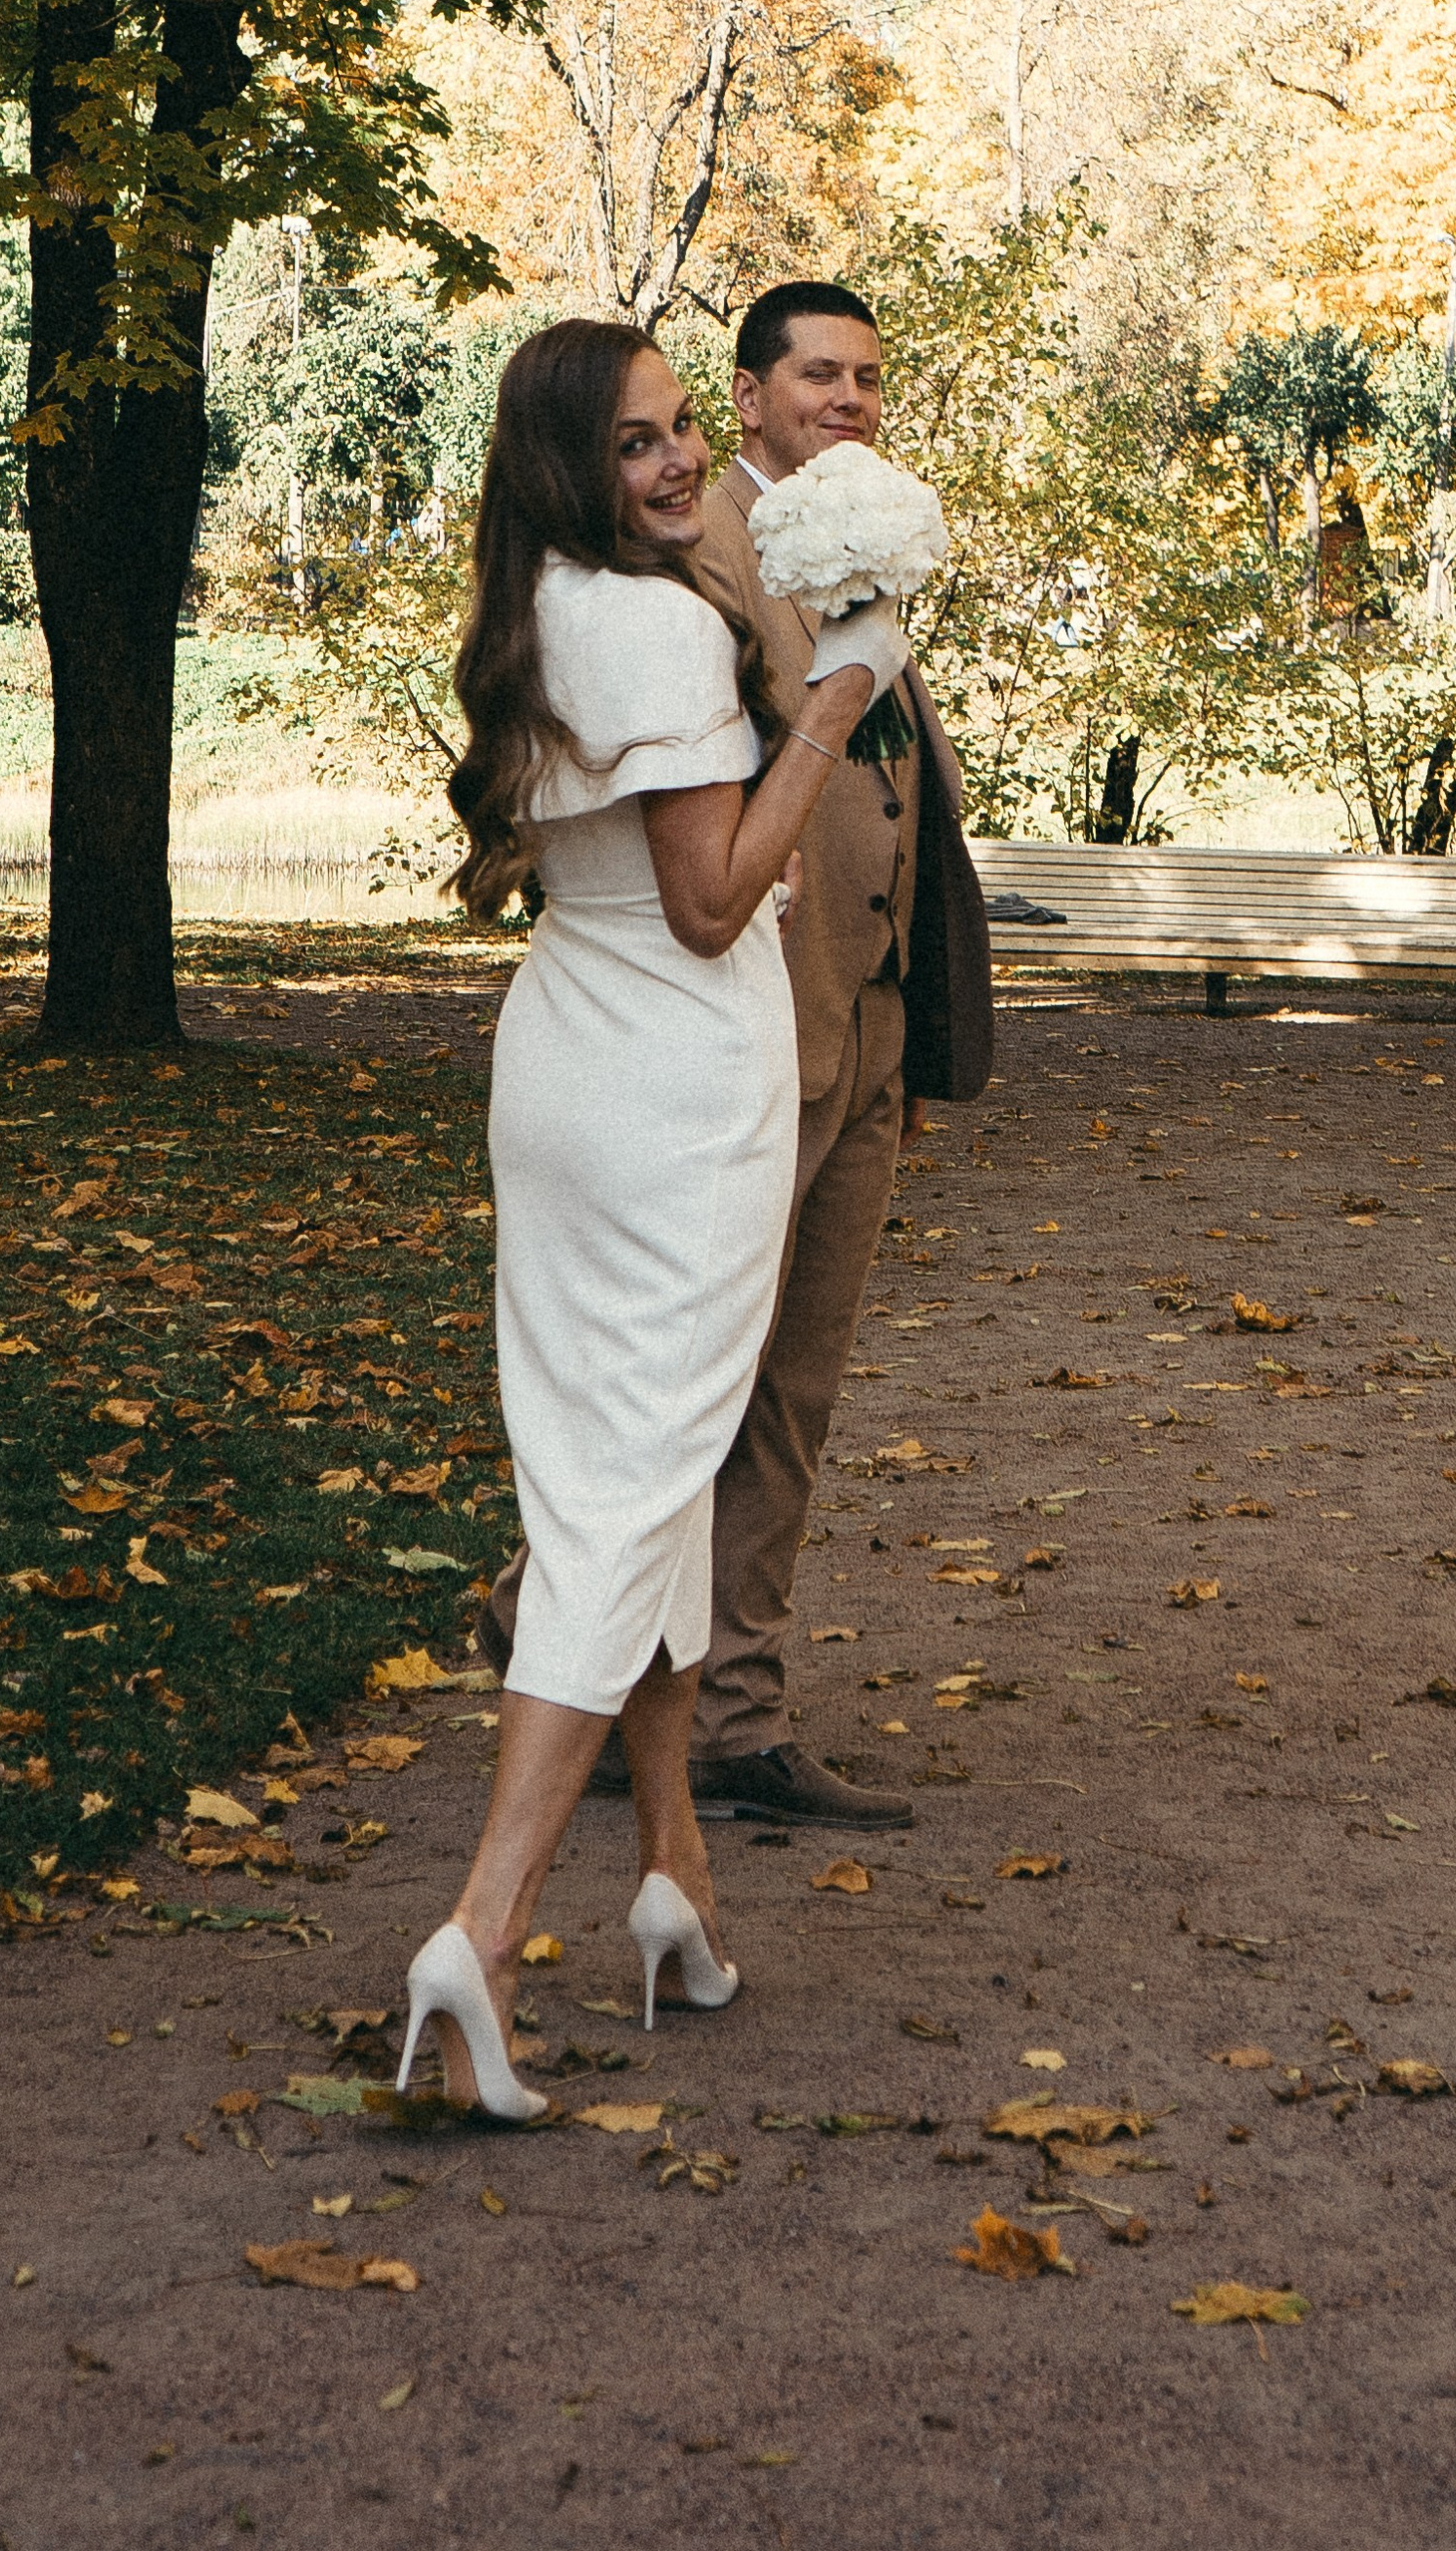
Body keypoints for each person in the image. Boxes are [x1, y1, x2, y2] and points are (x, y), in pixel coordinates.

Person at [395, 317, 906, 2121]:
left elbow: (638, 874)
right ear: (569, 466)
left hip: (570, 1056)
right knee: (625, 1494)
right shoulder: (661, 624)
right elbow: (711, 899)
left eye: (684, 426)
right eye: (636, 443)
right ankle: (485, 1930)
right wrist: (833, 701)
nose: (682, 460)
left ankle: (675, 1870)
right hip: (678, 1081)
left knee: (641, 1467)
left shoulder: (541, 602)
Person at [476, 277, 994, 1831]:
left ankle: (726, 1706)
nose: (849, 400)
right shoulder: (683, 556)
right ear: (755, 394)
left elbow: (896, 789)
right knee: (703, 1381)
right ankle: (576, 1622)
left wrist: (910, 1012)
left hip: (862, 1018)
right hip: (740, 1024)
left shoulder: (857, 546)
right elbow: (705, 833)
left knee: (793, 1388)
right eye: (817, 375)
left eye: (869, 378)